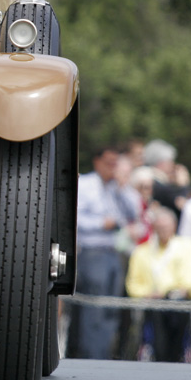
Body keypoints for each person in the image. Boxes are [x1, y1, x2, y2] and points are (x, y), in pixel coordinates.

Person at [73, 145, 138, 359]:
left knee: (111, 308)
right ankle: (88, 356)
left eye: (115, 164)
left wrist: (123, 188)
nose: (112, 168)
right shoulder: (85, 184)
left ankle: (103, 354)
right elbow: (75, 218)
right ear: (97, 161)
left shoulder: (117, 188)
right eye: (108, 163)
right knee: (94, 309)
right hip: (92, 252)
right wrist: (102, 223)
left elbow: (135, 212)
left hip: (113, 253)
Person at [125, 210, 191, 362]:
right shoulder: (142, 251)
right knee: (156, 324)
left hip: (178, 302)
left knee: (178, 317)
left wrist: (178, 291)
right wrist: (148, 294)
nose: (163, 231)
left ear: (174, 226)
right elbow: (133, 284)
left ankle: (179, 354)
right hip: (151, 304)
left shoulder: (187, 247)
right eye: (159, 227)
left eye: (166, 227)